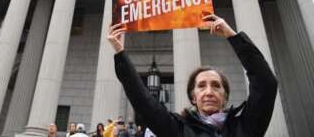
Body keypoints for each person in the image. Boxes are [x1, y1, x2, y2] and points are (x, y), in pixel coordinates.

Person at [108, 14, 278, 137]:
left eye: (216, 86)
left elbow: (266, 84)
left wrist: (232, 35)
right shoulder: (178, 130)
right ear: (193, 97)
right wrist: (119, 51)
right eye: (201, 86)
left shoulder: (245, 126)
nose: (209, 91)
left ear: (225, 97)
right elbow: (143, 101)